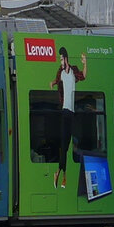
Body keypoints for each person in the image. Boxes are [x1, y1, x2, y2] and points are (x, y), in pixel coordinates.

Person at [50, 47, 87, 189]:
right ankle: (63, 177)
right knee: (64, 145)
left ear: (66, 59)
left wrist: (85, 63)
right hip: (65, 111)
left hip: (71, 113)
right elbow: (57, 79)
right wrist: (53, 83)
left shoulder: (73, 71)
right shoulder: (60, 73)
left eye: (61, 59)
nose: (60, 62)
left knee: (65, 146)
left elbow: (83, 76)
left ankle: (58, 172)